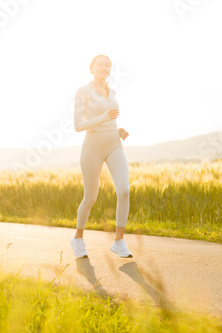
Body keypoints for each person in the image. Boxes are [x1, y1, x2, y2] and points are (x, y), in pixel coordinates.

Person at [70, 54, 133, 259]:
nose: (105, 67)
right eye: (100, 64)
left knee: (124, 190)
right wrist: (103, 118)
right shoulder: (83, 91)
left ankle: (119, 241)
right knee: (90, 198)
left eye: (108, 65)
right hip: (92, 148)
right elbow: (79, 125)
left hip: (114, 144)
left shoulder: (112, 92)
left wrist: (118, 131)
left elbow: (109, 121)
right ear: (92, 68)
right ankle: (78, 239)